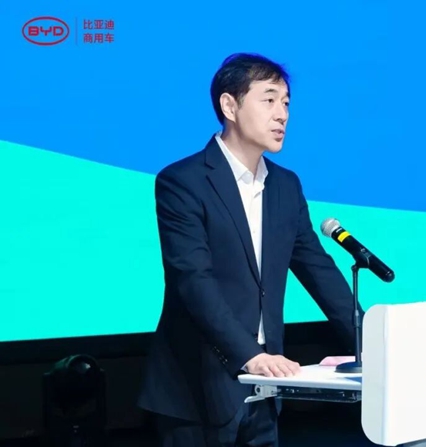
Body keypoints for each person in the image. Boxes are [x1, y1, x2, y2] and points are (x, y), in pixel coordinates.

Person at [137, 53, 360, 447]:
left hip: (265, 387)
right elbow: (193, 281)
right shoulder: (183, 182)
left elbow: (318, 270)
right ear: (230, 106)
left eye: (286, 102)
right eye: (269, 99)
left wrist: (372, 341)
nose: (282, 114)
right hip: (197, 389)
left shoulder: (285, 186)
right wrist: (250, 354)